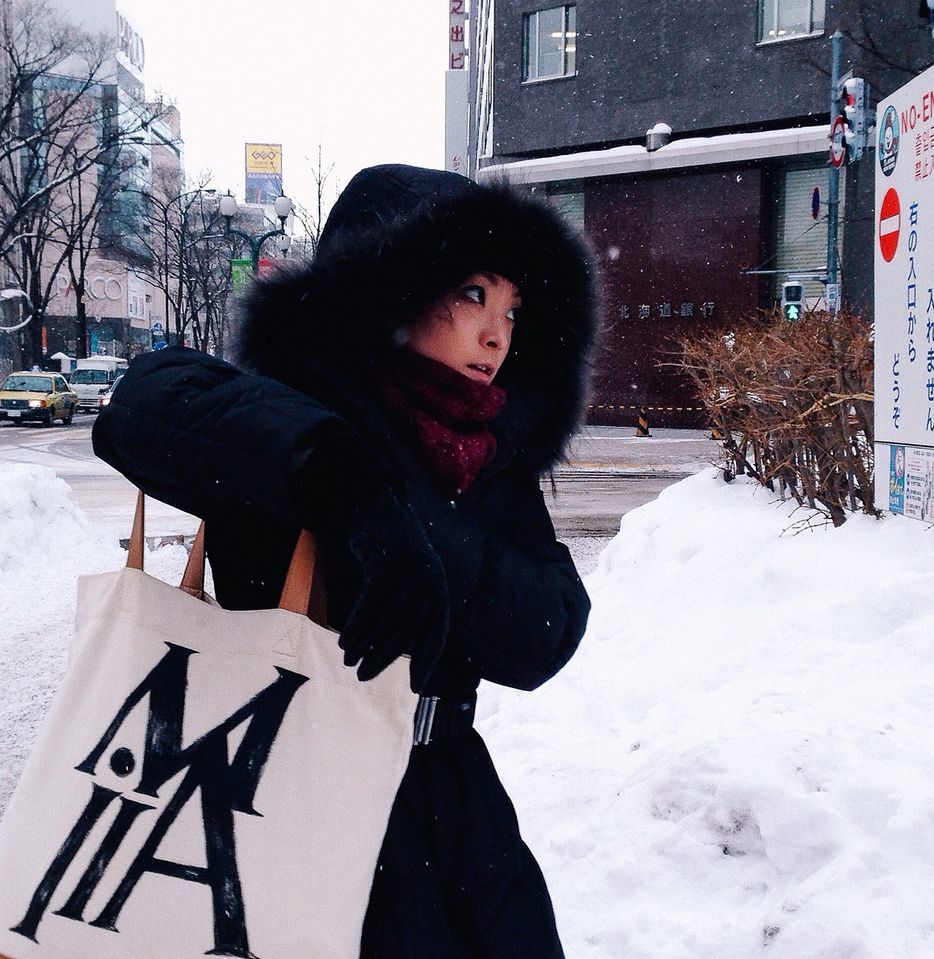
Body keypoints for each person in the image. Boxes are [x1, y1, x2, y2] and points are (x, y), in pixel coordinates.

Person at [93, 164, 598, 958]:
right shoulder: (285, 412)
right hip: (275, 792)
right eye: (473, 294)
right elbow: (143, 407)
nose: (497, 334)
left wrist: (427, 541)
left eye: (512, 308)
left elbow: (547, 630)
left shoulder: (486, 455)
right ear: (390, 287)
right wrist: (349, 489)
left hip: (452, 807)